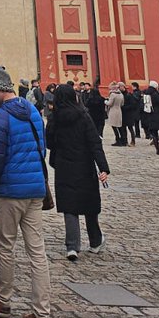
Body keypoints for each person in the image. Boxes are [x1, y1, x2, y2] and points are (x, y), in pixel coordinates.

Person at [0, 66, 52, 318]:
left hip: (10, 191)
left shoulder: (1, 119)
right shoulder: (32, 112)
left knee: (5, 246)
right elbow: (41, 147)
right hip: (35, 190)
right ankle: (41, 312)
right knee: (37, 251)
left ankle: (2, 300)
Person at [45, 83, 110, 260]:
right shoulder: (83, 116)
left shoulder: (54, 118)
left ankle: (72, 246)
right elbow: (94, 142)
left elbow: (49, 143)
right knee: (89, 205)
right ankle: (95, 241)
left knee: (69, 206)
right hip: (84, 165)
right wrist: (103, 167)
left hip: (64, 165)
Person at [142, 80, 159, 154]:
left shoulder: (146, 94)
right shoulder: (155, 94)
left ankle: (157, 150)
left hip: (150, 115)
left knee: (154, 133)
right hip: (158, 115)